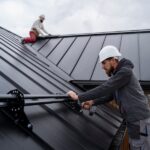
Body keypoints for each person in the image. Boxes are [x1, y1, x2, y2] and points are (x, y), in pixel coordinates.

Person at [67, 45, 150, 150]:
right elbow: (110, 95)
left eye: (103, 62)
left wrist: (78, 97)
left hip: (140, 121)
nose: (102, 67)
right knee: (135, 145)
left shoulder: (125, 72)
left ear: (113, 60)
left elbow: (106, 88)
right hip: (135, 121)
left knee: (141, 147)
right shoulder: (119, 75)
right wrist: (93, 102)